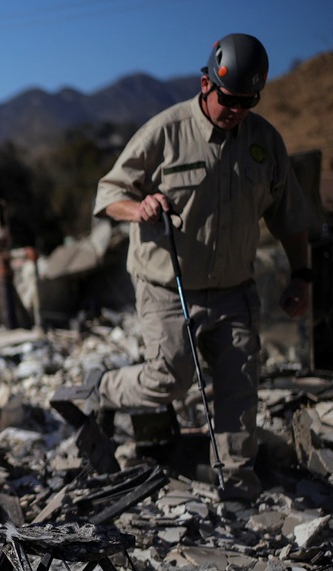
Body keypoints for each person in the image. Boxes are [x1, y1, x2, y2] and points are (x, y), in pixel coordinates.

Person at [91, 33, 314, 502]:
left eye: (247, 101)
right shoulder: (165, 131)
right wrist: (140, 208)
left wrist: (301, 277)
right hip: (166, 285)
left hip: (235, 290)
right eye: (229, 99)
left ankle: (236, 492)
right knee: (168, 379)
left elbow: (290, 218)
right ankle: (104, 388)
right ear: (206, 83)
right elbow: (110, 194)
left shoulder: (265, 143)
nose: (235, 110)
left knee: (239, 390)